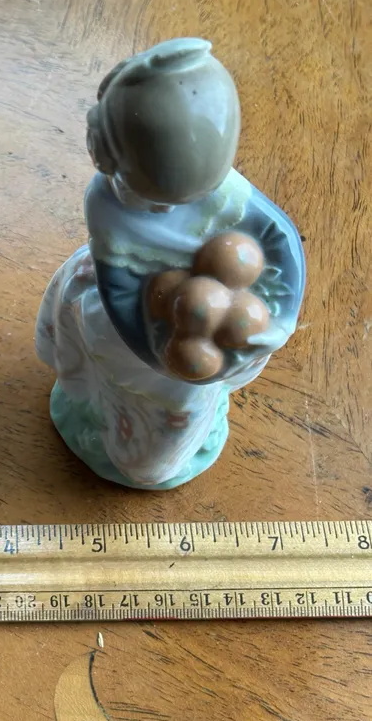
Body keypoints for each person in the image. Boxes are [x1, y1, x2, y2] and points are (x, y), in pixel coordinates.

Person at [36, 38, 305, 489]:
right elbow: (118, 288)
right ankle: (97, 410)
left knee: (182, 403)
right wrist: (159, 351)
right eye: (153, 198)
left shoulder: (228, 195)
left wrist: (276, 320)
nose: (167, 212)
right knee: (93, 335)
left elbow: (280, 242)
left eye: (191, 197)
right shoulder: (106, 203)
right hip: (145, 327)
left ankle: (154, 448)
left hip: (205, 330)